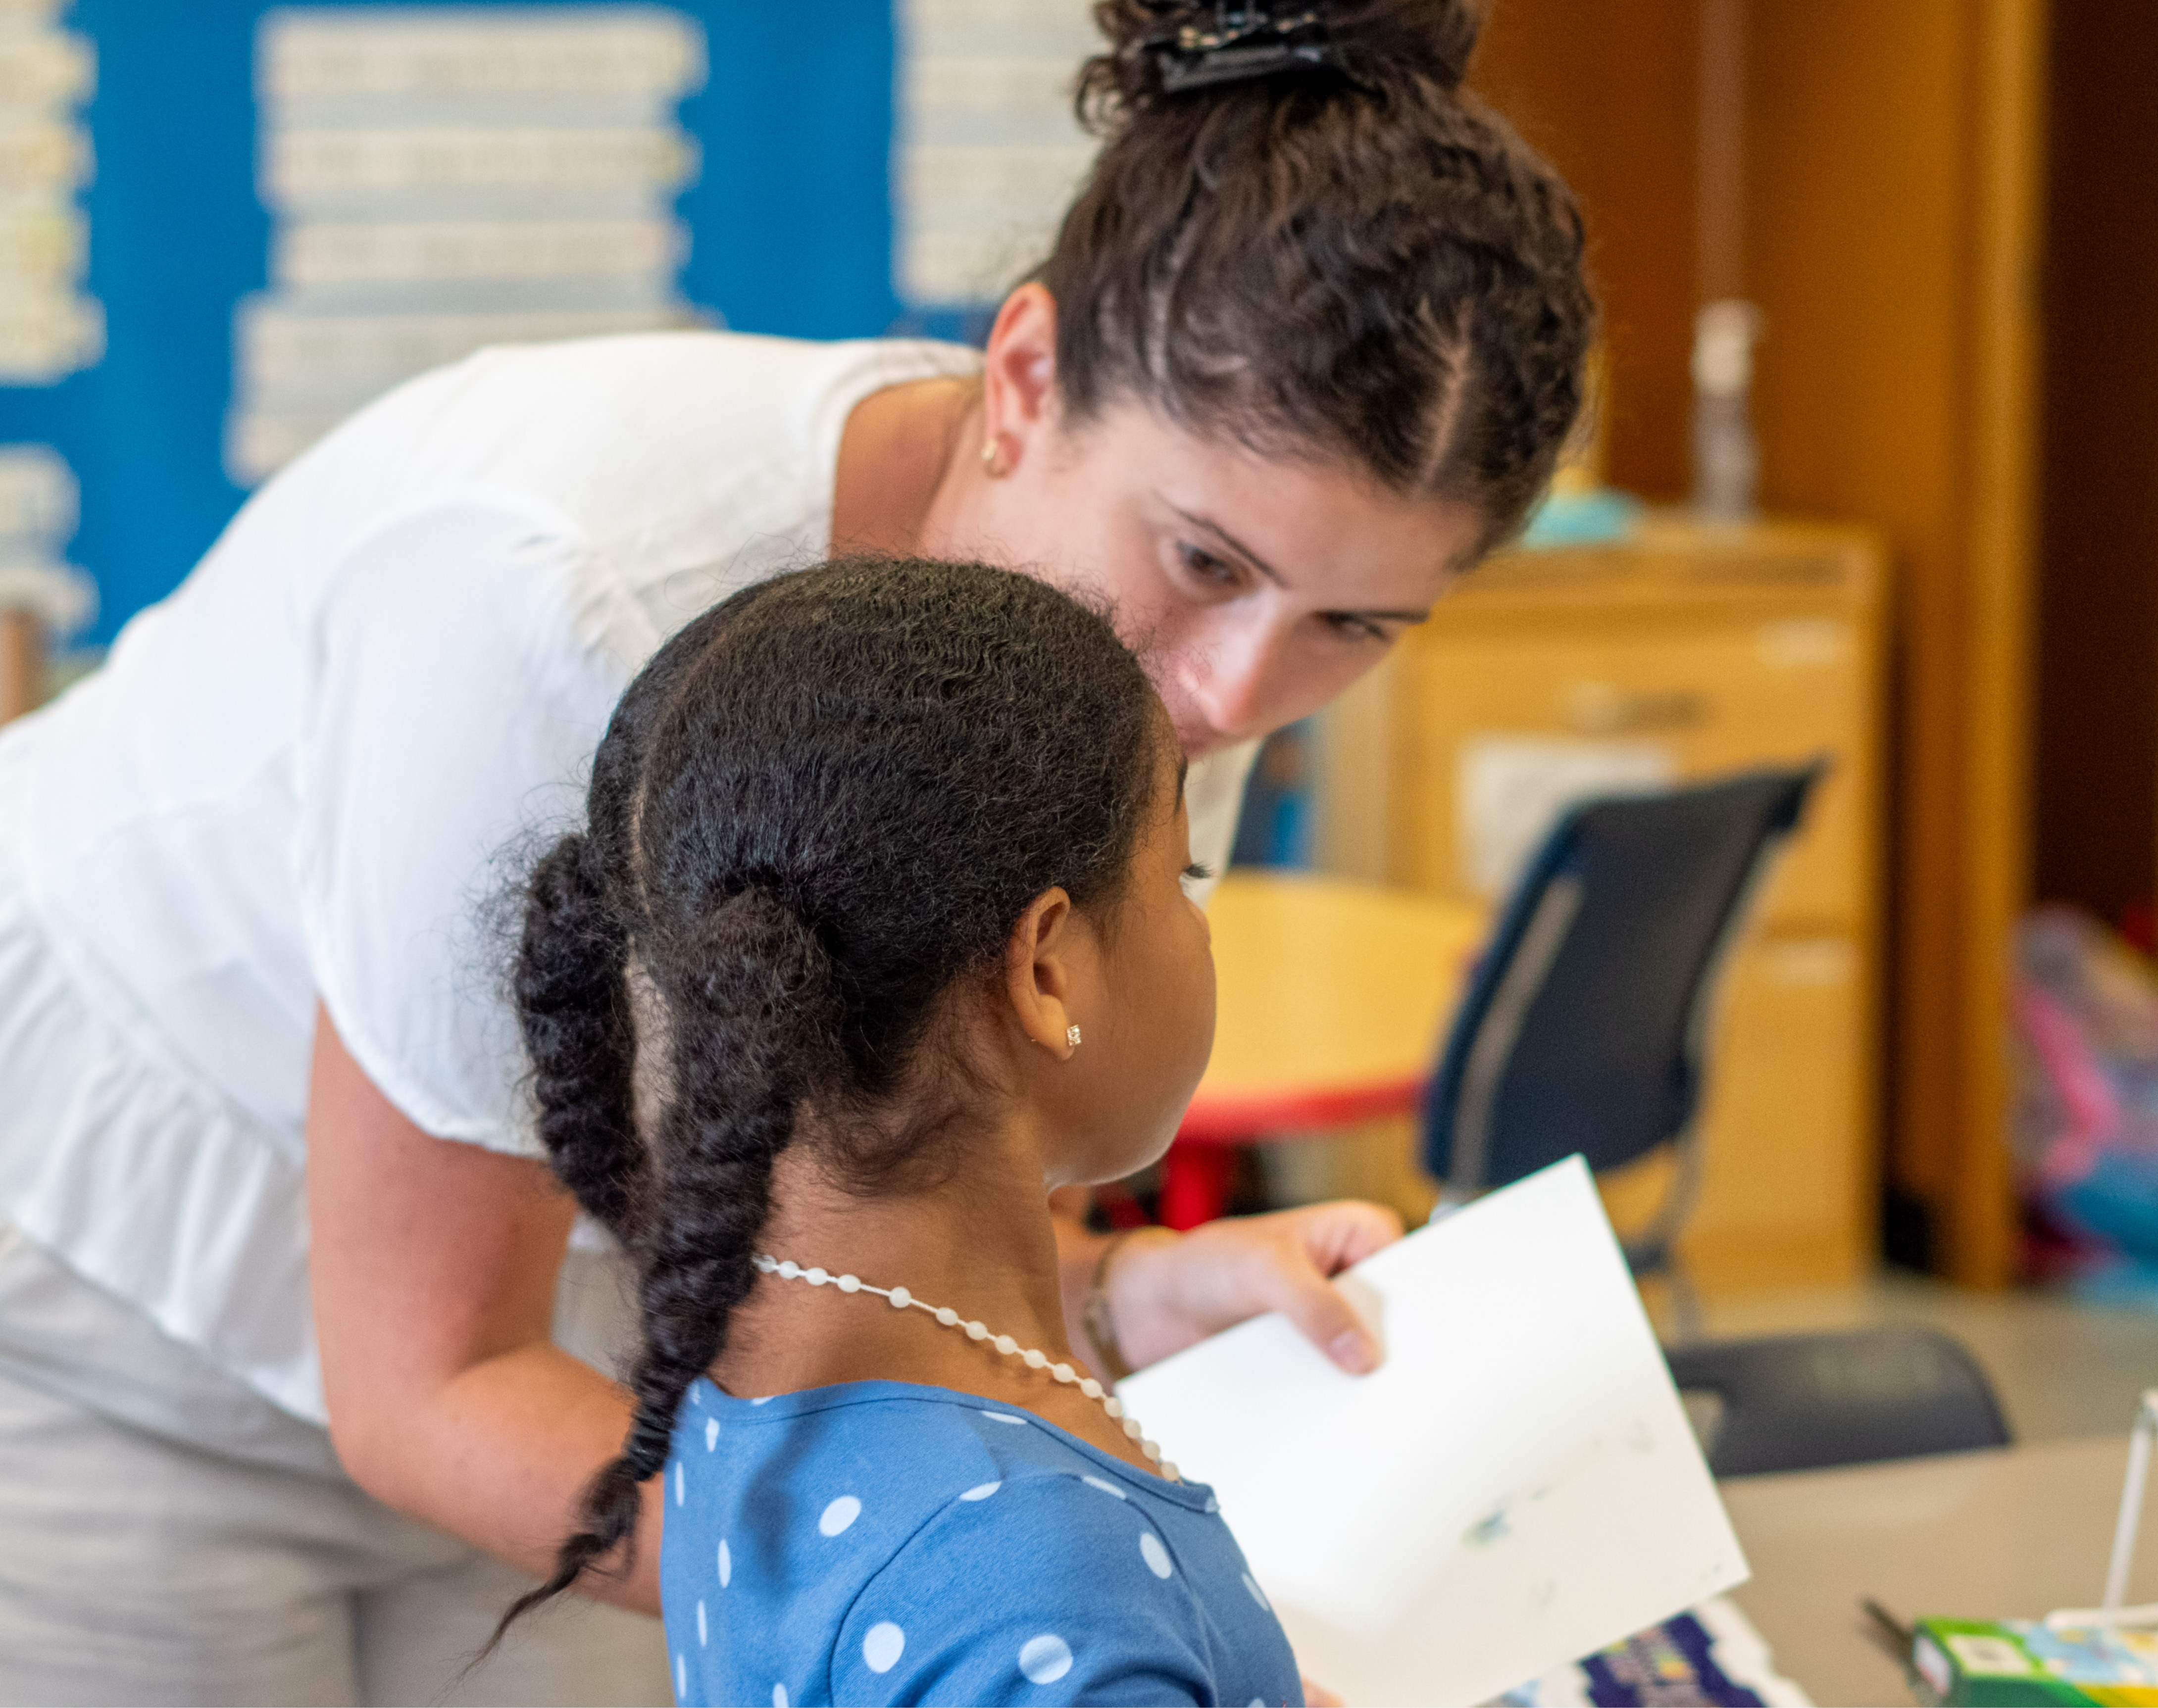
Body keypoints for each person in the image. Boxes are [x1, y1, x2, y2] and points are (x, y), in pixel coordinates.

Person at [0, 0, 1591, 1701]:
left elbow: (852, 1152)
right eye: (1204, 561)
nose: (1231, 696)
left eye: (1353, 621)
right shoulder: (555, 595)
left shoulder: (1153, 642)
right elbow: (436, 1389)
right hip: (122, 1294)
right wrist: (1073, 1635)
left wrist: (1125, 1291)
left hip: (603, 1341)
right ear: (1028, 377)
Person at [504, 555, 1278, 1708]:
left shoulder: (745, 1372)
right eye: (1183, 874)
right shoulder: (1047, 1588)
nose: (1199, 925)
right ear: (1047, 968)